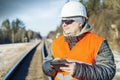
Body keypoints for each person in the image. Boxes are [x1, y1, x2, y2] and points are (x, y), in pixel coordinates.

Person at [42, 1, 116, 80]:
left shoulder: (98, 43)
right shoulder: (56, 43)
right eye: (63, 21)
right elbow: (46, 63)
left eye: (68, 21)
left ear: (80, 22)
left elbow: (108, 71)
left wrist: (80, 70)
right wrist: (49, 66)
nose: (64, 24)